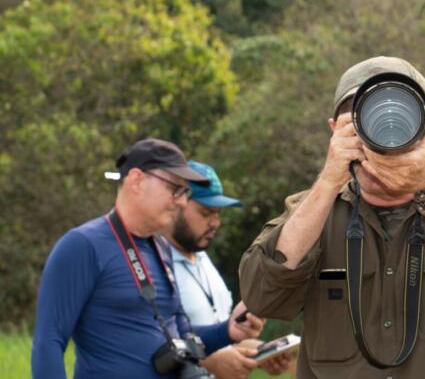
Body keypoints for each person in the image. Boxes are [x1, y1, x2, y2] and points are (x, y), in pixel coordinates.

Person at [239, 56, 425, 378]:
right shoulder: (312, 211)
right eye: (360, 122)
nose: (379, 136)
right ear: (334, 130)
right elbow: (261, 296)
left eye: (397, 118)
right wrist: (328, 183)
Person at [32, 138, 262, 378]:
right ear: (137, 181)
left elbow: (182, 337)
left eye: (186, 192)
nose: (182, 201)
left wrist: (229, 330)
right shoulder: (82, 245)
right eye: (175, 189)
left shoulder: (160, 247)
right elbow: (49, 342)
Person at [164, 160, 292, 378]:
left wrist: (258, 350)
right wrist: (210, 361)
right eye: (206, 213)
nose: (215, 222)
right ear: (176, 205)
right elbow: (140, 340)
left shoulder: (201, 257)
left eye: (218, 213)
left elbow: (217, 332)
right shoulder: (150, 263)